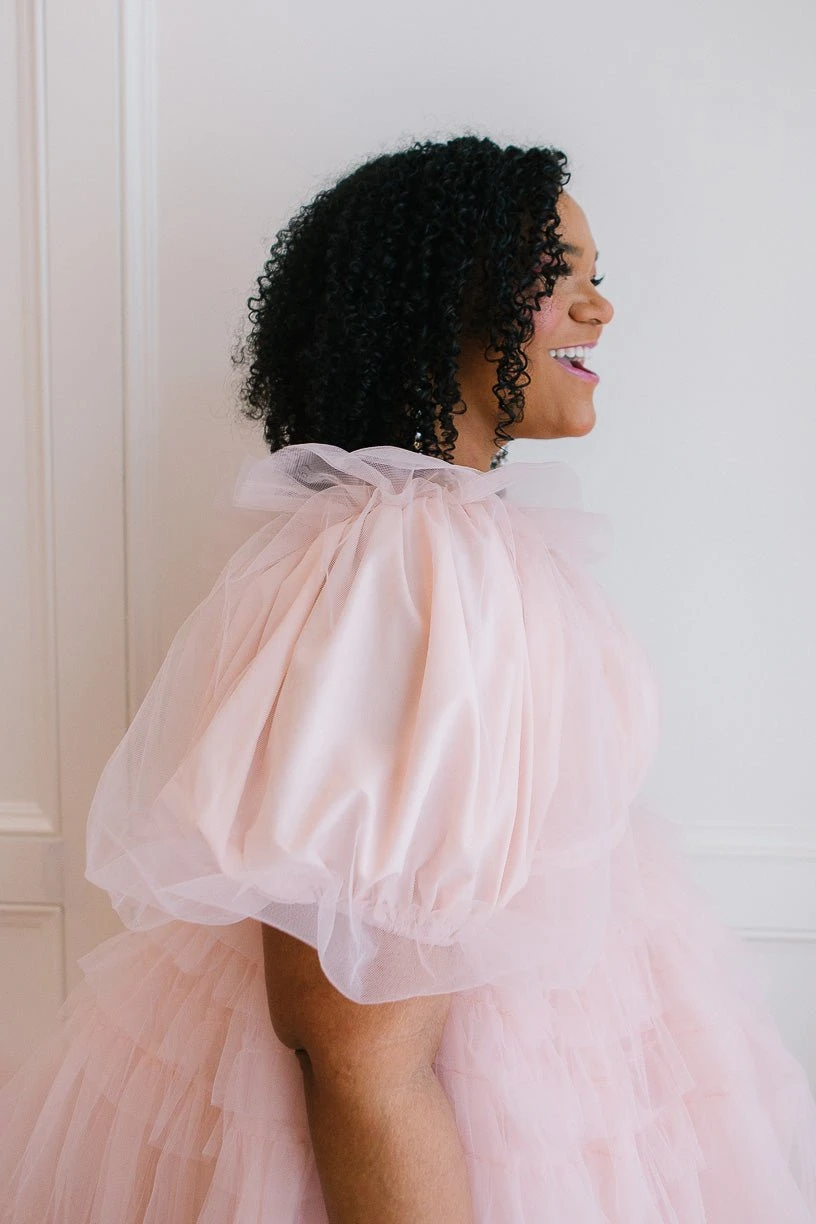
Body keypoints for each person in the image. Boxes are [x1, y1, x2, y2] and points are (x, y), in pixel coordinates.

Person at [1, 134, 815, 1224]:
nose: (600, 307)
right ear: (442, 302)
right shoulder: (408, 564)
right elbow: (356, 1052)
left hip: (535, 1085)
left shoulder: (459, 544)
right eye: (557, 273)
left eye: (597, 275)